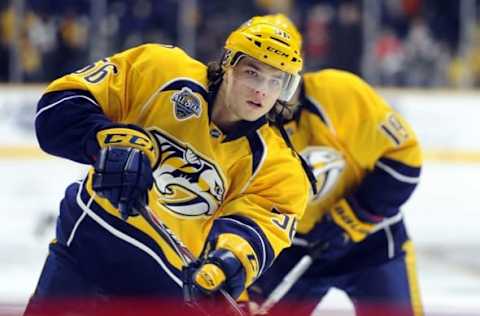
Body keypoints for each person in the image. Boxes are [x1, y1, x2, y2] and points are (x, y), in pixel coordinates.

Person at [25, 15, 310, 315]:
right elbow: (57, 110)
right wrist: (110, 143)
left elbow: (257, 228)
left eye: (276, 80)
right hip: (84, 253)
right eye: (253, 72)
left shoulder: (279, 166)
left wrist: (227, 261)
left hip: (161, 288)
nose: (262, 91)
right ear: (228, 64)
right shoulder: (159, 69)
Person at [249, 15, 424, 316]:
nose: (265, 88)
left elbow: (404, 160)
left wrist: (353, 216)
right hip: (285, 251)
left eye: (278, 74)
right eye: (255, 72)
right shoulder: (235, 119)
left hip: (371, 245)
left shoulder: (340, 94)